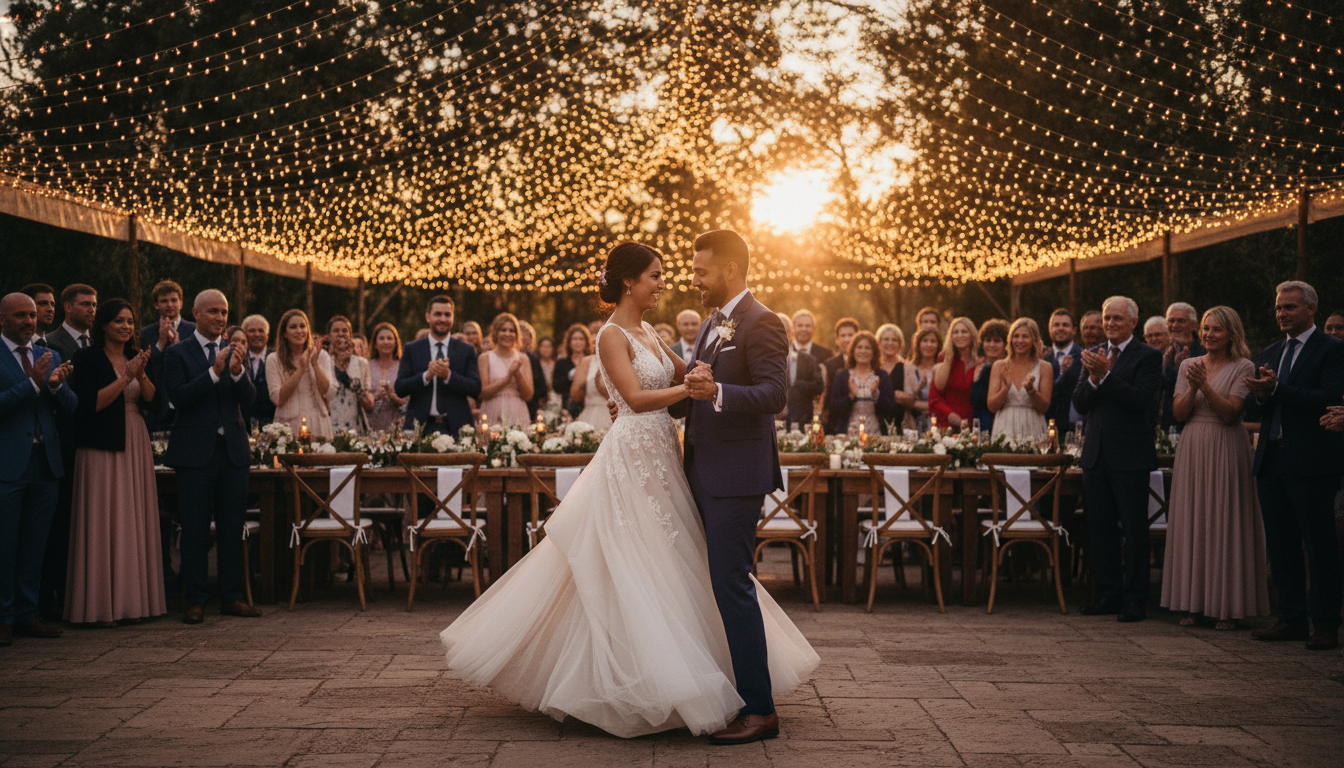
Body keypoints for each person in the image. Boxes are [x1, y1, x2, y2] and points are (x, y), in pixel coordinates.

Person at [441, 239, 817, 741]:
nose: (681, 282)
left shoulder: (758, 322)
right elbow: (666, 394)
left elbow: (768, 393)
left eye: (697, 272)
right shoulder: (688, 327)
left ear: (729, 270)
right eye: (660, 275)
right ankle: (682, 683)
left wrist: (702, 392)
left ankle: (756, 706)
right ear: (628, 281)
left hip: (715, 470)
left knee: (721, 579)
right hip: (664, 463)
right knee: (655, 568)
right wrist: (669, 397)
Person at [1244, 281, 1343, 651]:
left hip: (1313, 460)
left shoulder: (1332, 350)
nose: (1282, 313)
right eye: (1278, 308)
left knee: (1318, 545)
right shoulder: (1270, 351)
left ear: (1311, 309)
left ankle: (1327, 623)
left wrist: (1277, 390)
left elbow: (1330, 398)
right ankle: (1290, 617)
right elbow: (1260, 408)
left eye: (1289, 307)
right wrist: (1258, 394)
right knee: (1281, 543)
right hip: (1272, 457)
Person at [1161, 306, 1269, 631]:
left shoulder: (1244, 366)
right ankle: (1192, 603)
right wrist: (1194, 384)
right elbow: (1178, 413)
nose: (1209, 334)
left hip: (1226, 446)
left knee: (1224, 522)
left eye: (1217, 330)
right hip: (1193, 446)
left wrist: (1205, 386)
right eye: (1206, 329)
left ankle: (1227, 606)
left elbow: (1231, 413)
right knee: (1194, 521)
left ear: (1231, 334)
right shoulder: (1189, 365)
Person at [162, 289, 262, 625]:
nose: (220, 318)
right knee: (195, 530)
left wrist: (235, 373)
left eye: (224, 312)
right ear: (197, 314)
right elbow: (179, 397)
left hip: (232, 451)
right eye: (213, 312)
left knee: (232, 528)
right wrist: (214, 373)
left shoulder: (234, 351)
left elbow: (249, 399)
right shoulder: (178, 353)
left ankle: (232, 596)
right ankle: (195, 599)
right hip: (195, 453)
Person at [65, 299, 167, 626]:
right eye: (119, 321)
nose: (126, 327)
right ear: (105, 325)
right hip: (100, 446)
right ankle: (98, 607)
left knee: (133, 519)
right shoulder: (87, 358)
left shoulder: (136, 356)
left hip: (135, 438)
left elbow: (156, 402)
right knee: (103, 520)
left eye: (130, 322)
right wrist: (125, 378)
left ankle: (134, 602)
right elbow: (89, 405)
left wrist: (141, 374)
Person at [1074, 296, 1164, 623]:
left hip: (1130, 455)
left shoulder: (1149, 357)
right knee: (1100, 529)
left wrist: (1107, 378)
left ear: (1132, 322)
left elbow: (1141, 400)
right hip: (1095, 454)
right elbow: (1081, 403)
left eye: (1116, 319)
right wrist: (1096, 378)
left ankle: (1135, 599)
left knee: (1134, 528)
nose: (1110, 324)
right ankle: (1109, 594)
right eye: (1106, 318)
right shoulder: (1097, 355)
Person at [0, 293, 76, 647]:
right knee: (5, 545)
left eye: (32, 315)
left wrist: (57, 384)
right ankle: (3, 617)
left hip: (46, 463)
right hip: (9, 463)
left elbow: (71, 406)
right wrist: (32, 384)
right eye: (21, 316)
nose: (30, 321)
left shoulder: (50, 354)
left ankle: (28, 614)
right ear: (3, 319)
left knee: (35, 545)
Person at [39, 283, 95, 623]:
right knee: (62, 523)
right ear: (67, 307)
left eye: (93, 304)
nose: (90, 309)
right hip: (65, 441)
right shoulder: (53, 343)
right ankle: (54, 595)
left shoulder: (96, 343)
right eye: (84, 304)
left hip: (93, 442)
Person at [396, 296, 481, 435]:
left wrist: (448, 376)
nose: (443, 319)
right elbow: (400, 388)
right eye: (437, 314)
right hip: (420, 426)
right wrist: (426, 376)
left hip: (457, 426)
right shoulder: (412, 349)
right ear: (428, 317)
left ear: (453, 317)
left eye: (447, 314)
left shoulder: (466, 350)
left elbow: (476, 388)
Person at [265, 310, 334, 439]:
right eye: (293, 327)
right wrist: (301, 369)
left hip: (319, 423)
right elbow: (277, 398)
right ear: (284, 333)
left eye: (302, 326)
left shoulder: (322, 355)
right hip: (287, 426)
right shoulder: (273, 359)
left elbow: (328, 393)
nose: (299, 331)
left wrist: (314, 364)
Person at [987, 318, 1052, 444]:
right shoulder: (999, 366)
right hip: (1004, 426)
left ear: (1033, 340)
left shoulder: (1045, 367)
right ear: (1010, 339)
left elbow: (1044, 407)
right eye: (1016, 336)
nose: (1020, 341)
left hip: (1033, 426)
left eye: (1025, 336)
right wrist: (1005, 389)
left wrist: (1031, 391)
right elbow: (992, 406)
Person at [829, 331, 900, 436]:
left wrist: (876, 395)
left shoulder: (882, 376)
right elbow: (833, 409)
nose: (863, 351)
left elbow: (892, 409)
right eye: (859, 347)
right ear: (853, 351)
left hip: (876, 434)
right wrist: (851, 396)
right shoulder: (842, 376)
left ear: (874, 353)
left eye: (867, 348)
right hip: (848, 434)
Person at [478, 312, 534, 427]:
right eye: (503, 330)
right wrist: (508, 377)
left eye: (512, 331)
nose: (507, 334)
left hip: (517, 409)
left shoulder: (523, 358)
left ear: (516, 334)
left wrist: (517, 373)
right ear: (495, 333)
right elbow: (482, 393)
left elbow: (528, 395)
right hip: (492, 408)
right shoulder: (485, 358)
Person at [1160, 303, 1205, 430]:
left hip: (1195, 424)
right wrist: (1166, 365)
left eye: (1181, 321)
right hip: (1167, 424)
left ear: (1193, 326)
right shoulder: (1162, 352)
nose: (1175, 325)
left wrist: (1183, 369)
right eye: (1171, 321)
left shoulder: (1204, 352)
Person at [929, 317, 978, 432]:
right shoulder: (944, 357)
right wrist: (950, 414)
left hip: (973, 421)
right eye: (955, 332)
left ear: (972, 335)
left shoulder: (979, 361)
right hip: (947, 421)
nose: (960, 335)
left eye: (964, 331)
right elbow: (934, 397)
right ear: (951, 336)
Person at [326, 316, 373, 435]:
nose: (341, 334)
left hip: (355, 429)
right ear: (329, 336)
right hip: (329, 426)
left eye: (344, 330)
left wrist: (354, 385)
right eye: (336, 331)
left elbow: (369, 405)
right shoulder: (323, 361)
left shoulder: (361, 363)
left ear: (350, 335)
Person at [1045, 309, 1084, 435]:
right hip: (1045, 428)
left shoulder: (1084, 357)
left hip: (1074, 430)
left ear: (1074, 330)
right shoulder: (1042, 358)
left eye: (1065, 325)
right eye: (1056, 325)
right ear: (1050, 330)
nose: (1060, 328)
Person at [782, 313, 824, 430]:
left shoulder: (808, 358)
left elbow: (819, 386)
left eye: (785, 330)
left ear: (790, 332)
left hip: (801, 419)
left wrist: (798, 385)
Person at [366, 322, 408, 433]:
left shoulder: (403, 366)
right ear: (375, 343)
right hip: (370, 426)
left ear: (395, 342)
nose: (386, 342)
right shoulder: (366, 366)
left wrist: (393, 396)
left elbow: (410, 401)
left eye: (389, 338)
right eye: (381, 338)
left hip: (397, 426)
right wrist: (375, 397)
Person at [820, 318, 859, 432]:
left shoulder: (867, 362)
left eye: (850, 335)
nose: (846, 339)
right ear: (837, 340)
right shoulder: (830, 365)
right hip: (838, 423)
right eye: (842, 336)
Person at [971, 319, 1009, 433]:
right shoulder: (979, 367)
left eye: (997, 341)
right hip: (978, 423)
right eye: (988, 340)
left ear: (1005, 344)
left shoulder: (1007, 368)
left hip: (999, 422)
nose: (992, 345)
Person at [571, 329, 612, 429]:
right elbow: (575, 396)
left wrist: (600, 384)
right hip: (588, 414)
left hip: (610, 415)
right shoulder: (587, 361)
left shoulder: (620, 361)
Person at [140, 280, 195, 355]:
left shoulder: (195, 331)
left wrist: (177, 347)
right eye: (164, 301)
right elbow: (148, 365)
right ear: (156, 305)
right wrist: (161, 343)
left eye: (174, 300)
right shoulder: (145, 333)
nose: (169, 305)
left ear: (181, 303)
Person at [240, 314, 275, 430]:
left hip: (272, 424)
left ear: (267, 335)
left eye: (261, 331)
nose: (256, 335)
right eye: (251, 331)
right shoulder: (238, 358)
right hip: (243, 425)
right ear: (244, 334)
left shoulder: (276, 357)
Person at [551, 323, 592, 419]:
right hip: (568, 407)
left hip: (588, 404)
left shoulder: (591, 361)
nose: (577, 342)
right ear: (569, 342)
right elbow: (556, 386)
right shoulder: (562, 363)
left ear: (586, 342)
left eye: (581, 339)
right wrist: (570, 377)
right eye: (574, 339)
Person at [905, 328, 939, 432]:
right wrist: (931, 406)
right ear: (918, 344)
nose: (929, 345)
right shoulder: (909, 367)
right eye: (925, 341)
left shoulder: (942, 368)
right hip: (914, 423)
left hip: (939, 422)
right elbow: (907, 399)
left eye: (933, 341)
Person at [517, 320, 548, 422]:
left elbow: (541, 384)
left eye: (526, 341)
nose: (523, 344)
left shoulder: (533, 359)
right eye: (521, 340)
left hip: (530, 403)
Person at [535, 335, 560, 411]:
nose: (546, 349)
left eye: (548, 346)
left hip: (556, 397)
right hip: (540, 398)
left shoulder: (558, 364)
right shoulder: (536, 364)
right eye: (543, 346)